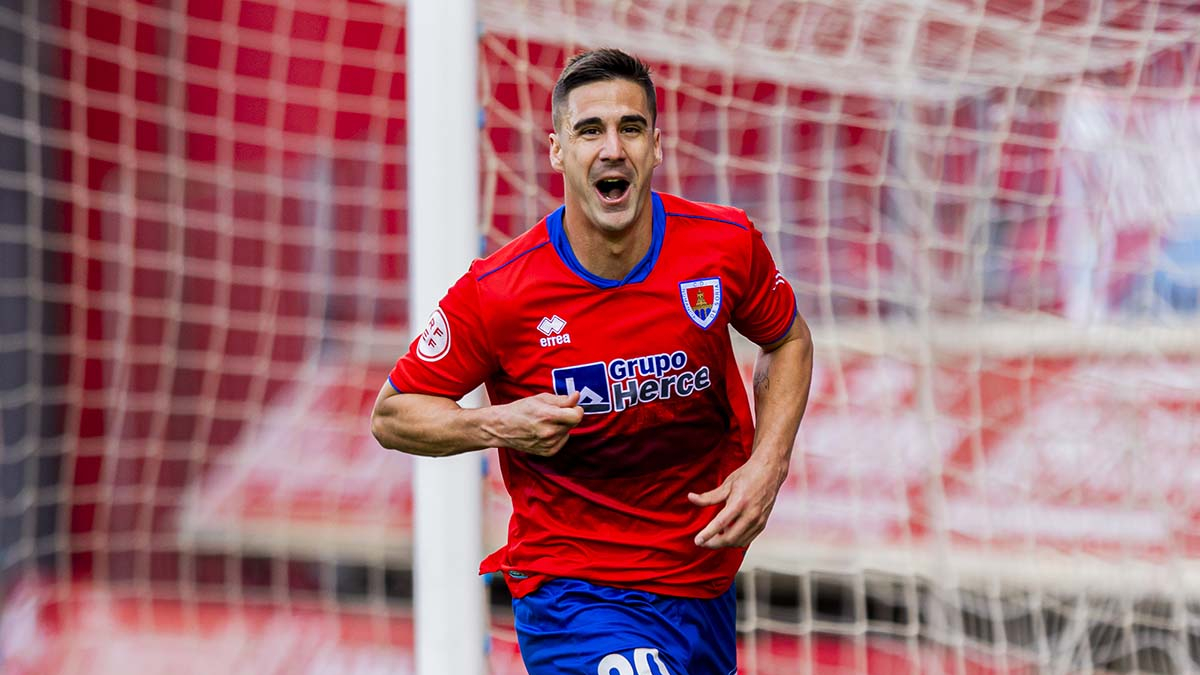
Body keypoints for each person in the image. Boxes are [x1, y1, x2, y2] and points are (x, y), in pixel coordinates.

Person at [371, 48, 813, 675]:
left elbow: (788, 340)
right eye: (589, 131)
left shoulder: (724, 245)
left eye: (630, 128)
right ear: (557, 151)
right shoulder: (500, 291)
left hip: (700, 578)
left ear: (655, 146)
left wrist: (769, 463)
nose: (612, 149)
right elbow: (392, 414)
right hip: (572, 588)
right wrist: (498, 423)